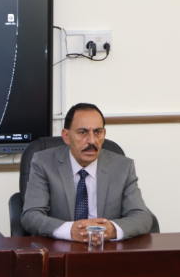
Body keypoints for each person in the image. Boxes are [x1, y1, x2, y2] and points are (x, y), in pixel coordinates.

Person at [21, 102, 152, 242]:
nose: (92, 141)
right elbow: (31, 216)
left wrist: (112, 229)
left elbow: (142, 216)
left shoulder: (123, 167)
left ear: (104, 134)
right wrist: (70, 230)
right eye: (82, 132)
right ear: (66, 136)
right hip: (61, 247)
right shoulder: (44, 163)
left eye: (97, 132)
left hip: (106, 247)